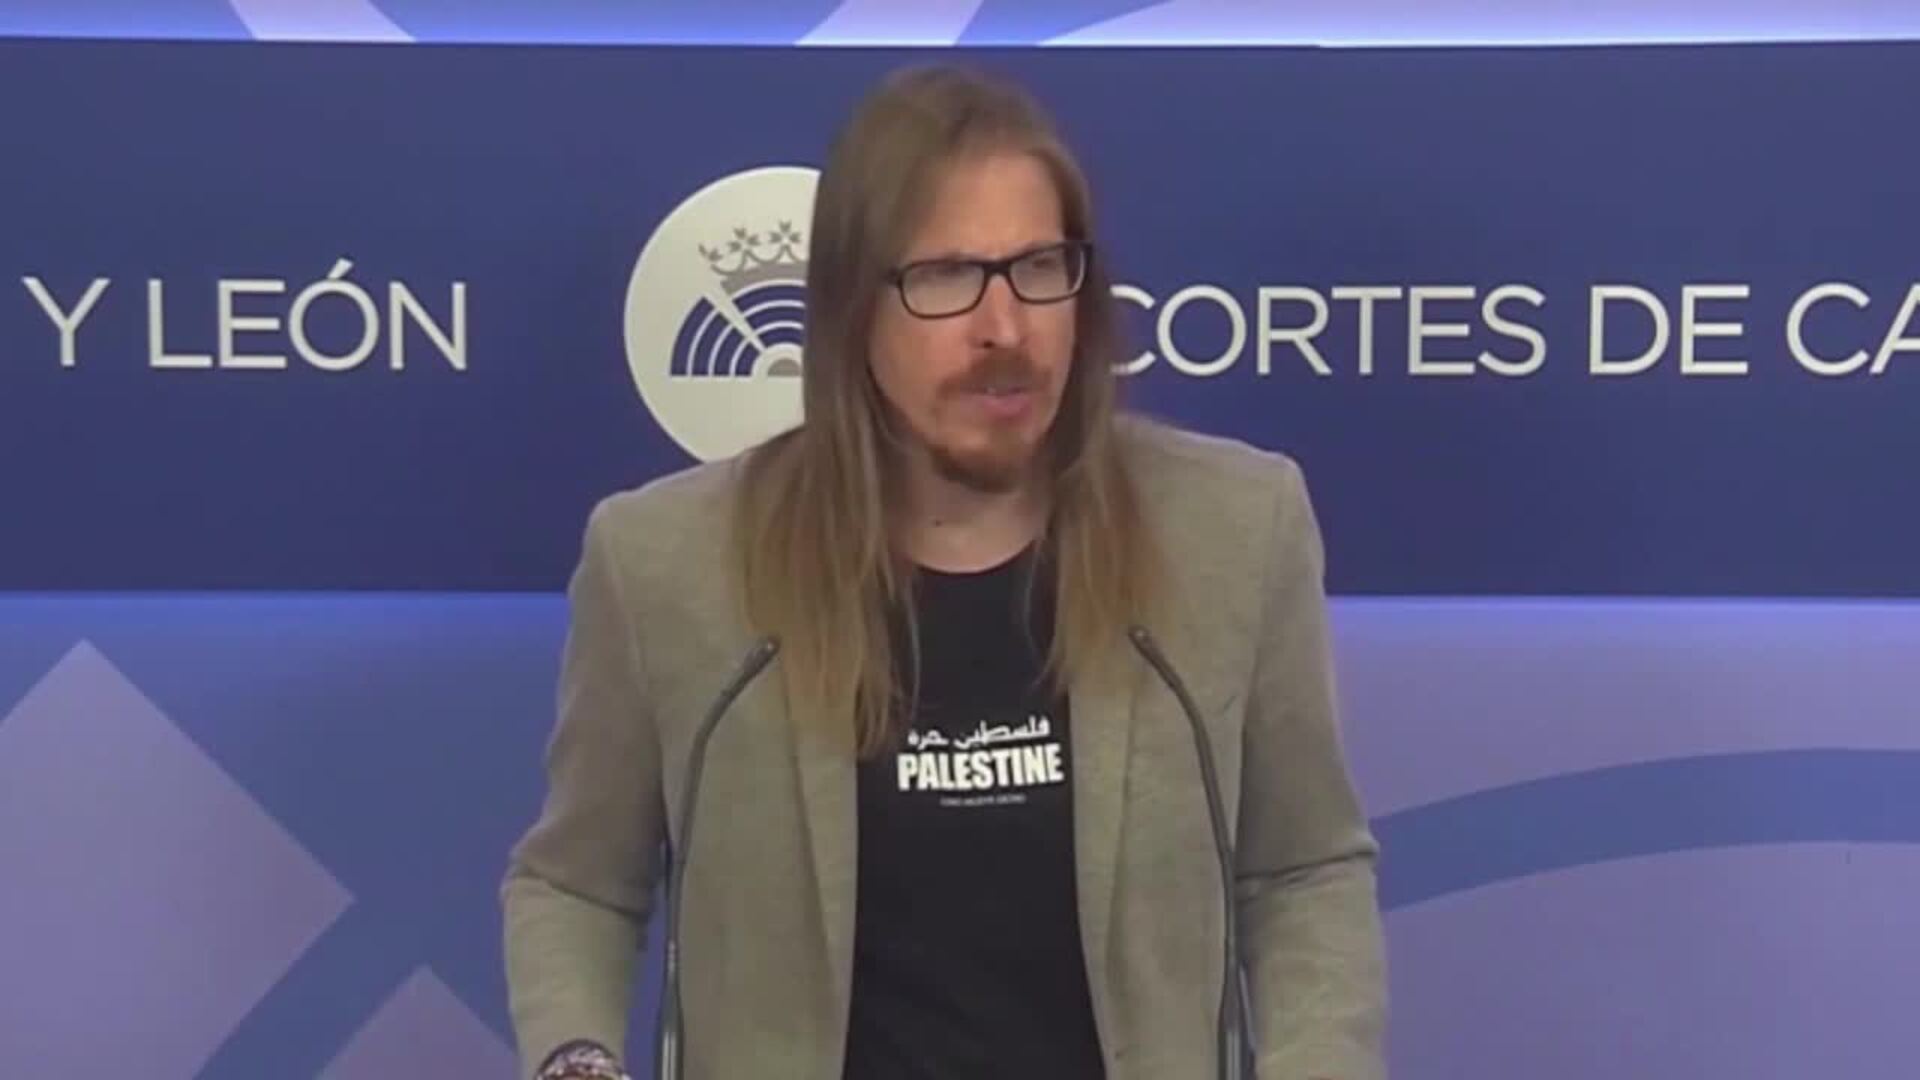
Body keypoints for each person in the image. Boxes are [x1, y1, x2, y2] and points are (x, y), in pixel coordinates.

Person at [502, 62, 1386, 1080]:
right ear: (852, 312)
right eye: (946, 276)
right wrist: (575, 1060)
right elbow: (576, 886)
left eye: (1038, 267)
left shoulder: (1232, 531)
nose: (1003, 327)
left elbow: (1304, 869)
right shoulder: (670, 564)